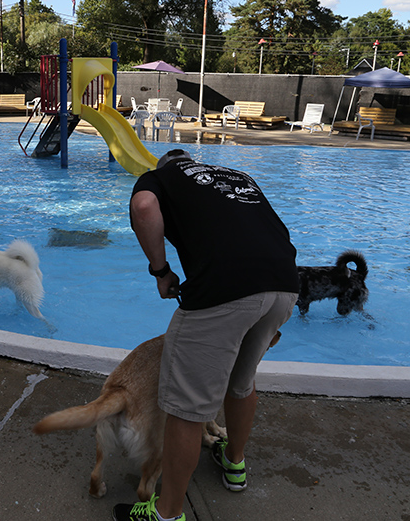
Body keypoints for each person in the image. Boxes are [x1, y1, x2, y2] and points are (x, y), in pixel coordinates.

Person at [115, 149, 299, 521]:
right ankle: (234, 464)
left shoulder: (161, 177)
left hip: (226, 286)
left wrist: (161, 271)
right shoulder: (233, 176)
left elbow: (145, 207)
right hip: (284, 282)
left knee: (187, 407)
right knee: (242, 383)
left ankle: (167, 514)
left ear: (164, 165)